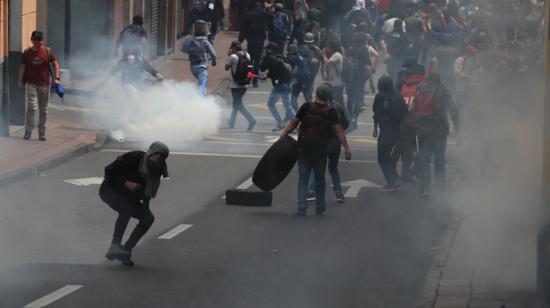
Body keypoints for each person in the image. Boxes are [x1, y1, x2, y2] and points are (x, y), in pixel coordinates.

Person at [279, 84, 352, 216]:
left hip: (304, 149)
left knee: (303, 178)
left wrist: (282, 137)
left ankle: (302, 206)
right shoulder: (331, 111)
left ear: (317, 94)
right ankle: (320, 206)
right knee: (319, 178)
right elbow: (339, 129)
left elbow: (293, 123)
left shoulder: (306, 107)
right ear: (329, 97)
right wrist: (346, 148)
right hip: (320, 150)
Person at [100, 141, 170, 266]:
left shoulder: (158, 169)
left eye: (163, 156)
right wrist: (126, 183)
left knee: (148, 218)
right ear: (151, 152)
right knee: (126, 209)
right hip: (110, 190)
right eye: (158, 154)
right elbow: (109, 170)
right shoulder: (135, 157)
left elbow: (148, 192)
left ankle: (126, 250)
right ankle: (115, 245)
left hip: (130, 197)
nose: (159, 158)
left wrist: (145, 209)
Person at [412, 73, 459, 196]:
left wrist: (413, 125)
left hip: (423, 128)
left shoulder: (420, 89)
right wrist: (456, 126)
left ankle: (425, 188)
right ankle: (440, 188)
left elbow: (413, 108)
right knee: (439, 159)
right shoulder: (444, 90)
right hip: (440, 129)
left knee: (424, 158)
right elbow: (453, 109)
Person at [307, 83, 350, 203]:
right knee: (333, 168)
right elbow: (345, 125)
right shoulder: (337, 106)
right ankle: (339, 193)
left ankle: (311, 191)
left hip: (320, 142)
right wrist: (346, 148)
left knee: (315, 167)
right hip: (335, 143)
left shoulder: (312, 107)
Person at [17, 30, 60, 141]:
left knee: (44, 110)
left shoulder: (47, 51)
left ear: (42, 40)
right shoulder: (27, 52)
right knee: (32, 107)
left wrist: (57, 78)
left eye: (38, 39)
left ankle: (42, 132)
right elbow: (22, 66)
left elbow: (55, 64)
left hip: (45, 85)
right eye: (34, 39)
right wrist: (19, 80)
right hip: (32, 84)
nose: (36, 41)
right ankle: (28, 131)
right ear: (31, 40)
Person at [373, 76, 408, 191]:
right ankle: (392, 180)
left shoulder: (380, 96)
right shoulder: (399, 97)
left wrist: (375, 129)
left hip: (386, 129)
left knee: (382, 156)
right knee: (386, 154)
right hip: (397, 130)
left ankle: (393, 179)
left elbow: (376, 114)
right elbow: (405, 113)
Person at [260, 42, 295, 131]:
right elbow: (279, 69)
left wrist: (264, 58)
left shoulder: (269, 58)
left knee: (271, 104)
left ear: (271, 50)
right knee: (287, 105)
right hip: (288, 82)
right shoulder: (282, 56)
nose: (266, 50)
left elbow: (262, 68)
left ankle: (280, 123)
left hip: (280, 85)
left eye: (267, 49)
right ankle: (297, 125)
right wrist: (268, 75)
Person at [225, 40, 256, 130]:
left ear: (233, 48)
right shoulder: (247, 55)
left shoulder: (233, 56)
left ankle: (251, 120)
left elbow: (226, 68)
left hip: (235, 85)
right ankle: (231, 122)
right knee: (236, 103)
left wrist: (229, 55)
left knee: (237, 104)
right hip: (245, 83)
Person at [182, 20, 217, 96]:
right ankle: (200, 101)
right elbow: (213, 54)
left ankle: (201, 97)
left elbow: (184, 49)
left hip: (193, 67)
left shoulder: (191, 41)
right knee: (202, 85)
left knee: (202, 83)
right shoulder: (205, 42)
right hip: (202, 67)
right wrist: (214, 62)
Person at [239, 0, 269, 88]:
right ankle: (255, 81)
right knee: (256, 62)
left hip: (251, 41)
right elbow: (272, 17)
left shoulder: (248, 15)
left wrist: (240, 40)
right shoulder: (263, 14)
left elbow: (243, 28)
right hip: (260, 41)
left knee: (250, 61)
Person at [298, 32, 322, 102]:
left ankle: (309, 104)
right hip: (313, 72)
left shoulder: (302, 48)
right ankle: (310, 102)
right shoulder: (317, 49)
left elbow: (299, 59)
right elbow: (320, 59)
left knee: (305, 90)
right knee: (309, 88)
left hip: (304, 72)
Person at [321, 40, 345, 106]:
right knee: (334, 103)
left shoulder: (337, 55)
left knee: (339, 103)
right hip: (333, 84)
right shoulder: (333, 55)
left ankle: (346, 116)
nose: (327, 48)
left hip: (337, 84)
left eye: (328, 47)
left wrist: (324, 54)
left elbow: (327, 62)